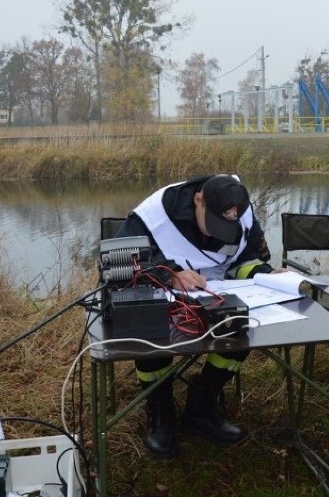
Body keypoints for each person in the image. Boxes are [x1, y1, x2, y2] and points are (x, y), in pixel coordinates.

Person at [114, 173, 278, 459]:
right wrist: (170, 273)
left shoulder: (240, 208)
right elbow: (122, 260)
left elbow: (248, 259)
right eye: (214, 224)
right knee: (150, 332)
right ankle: (161, 410)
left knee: (240, 325)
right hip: (165, 296)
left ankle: (202, 404)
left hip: (216, 296)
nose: (218, 233)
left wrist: (269, 275)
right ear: (198, 200)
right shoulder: (154, 214)